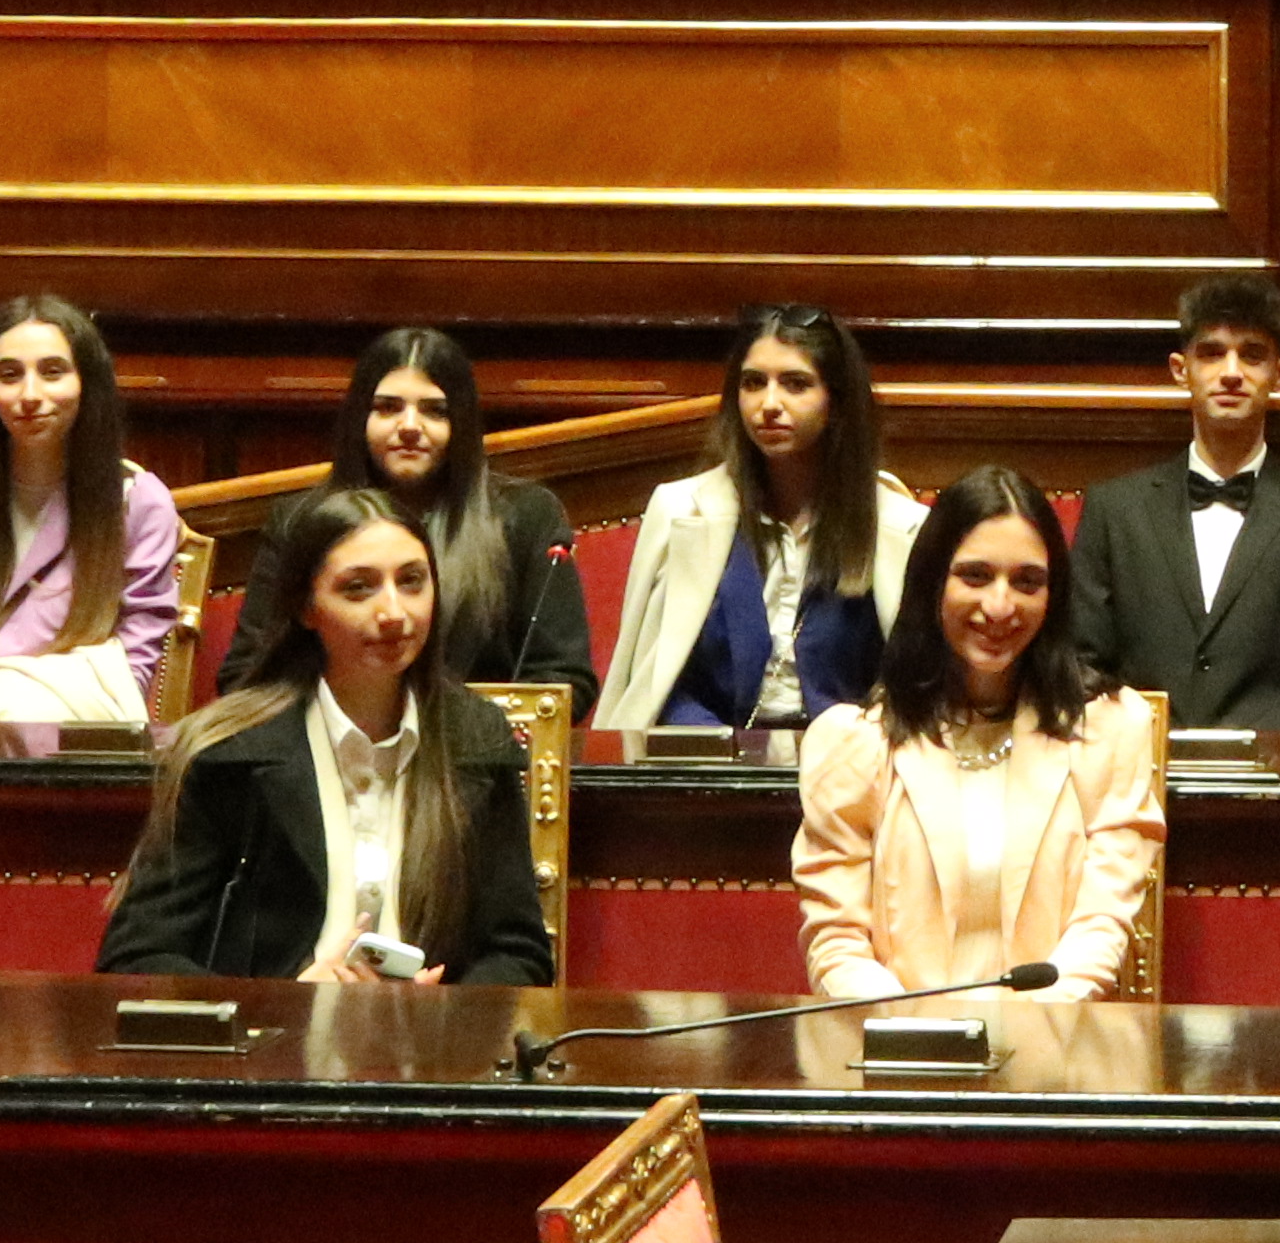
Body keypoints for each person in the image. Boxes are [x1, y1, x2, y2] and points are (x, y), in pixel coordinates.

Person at [98, 481, 554, 986]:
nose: (394, 613)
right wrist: (286, 1003)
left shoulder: (477, 738)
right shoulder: (227, 752)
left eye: (412, 581)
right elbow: (136, 957)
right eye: (358, 588)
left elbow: (520, 956)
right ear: (306, 607)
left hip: (431, 1056)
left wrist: (442, 1016)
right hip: (270, 1054)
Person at [792, 464, 1168, 1002]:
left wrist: (1023, 1040)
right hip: (900, 1056)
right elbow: (837, 941)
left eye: (1026, 582)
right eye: (974, 576)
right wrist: (921, 1041)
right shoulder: (854, 743)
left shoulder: (1111, 729)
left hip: (1053, 1054)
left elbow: (1100, 929)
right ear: (931, 581)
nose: (999, 606)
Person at [1062, 274, 1280, 730]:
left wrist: (1251, 753)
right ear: (1180, 369)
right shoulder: (1114, 511)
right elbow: (1080, 663)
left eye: (1253, 354)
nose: (1231, 371)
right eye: (1211, 352)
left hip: (1275, 784)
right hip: (1135, 778)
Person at [591, 305, 918, 737]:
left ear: (836, 402)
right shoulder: (679, 511)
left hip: (856, 769)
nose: (769, 404)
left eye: (796, 384)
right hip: (704, 765)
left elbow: (910, 689)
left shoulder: (901, 526)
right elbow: (659, 682)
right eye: (753, 383)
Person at [0, 291, 186, 725]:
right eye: (9, 375)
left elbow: (130, 674)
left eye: (52, 372)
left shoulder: (137, 504)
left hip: (73, 753)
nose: (30, 394)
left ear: (87, 385)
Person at [275, 326, 593, 696]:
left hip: (479, 746)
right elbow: (249, 673)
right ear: (358, 419)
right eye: (388, 408)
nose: (410, 427)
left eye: (435, 411)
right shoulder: (299, 520)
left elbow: (563, 677)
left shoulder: (526, 516)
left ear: (462, 424)